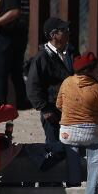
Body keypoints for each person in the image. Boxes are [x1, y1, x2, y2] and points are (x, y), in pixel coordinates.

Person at [26, 17, 75, 151]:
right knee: (55, 149)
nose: (68, 32)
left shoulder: (71, 53)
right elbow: (32, 87)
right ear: (53, 35)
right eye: (63, 30)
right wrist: (45, 109)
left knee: (73, 148)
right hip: (52, 112)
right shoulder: (41, 58)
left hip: (71, 109)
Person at [56, 52, 98, 148]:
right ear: (88, 71)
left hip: (67, 135)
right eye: (97, 70)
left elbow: (59, 105)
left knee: (72, 159)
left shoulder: (66, 82)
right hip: (92, 135)